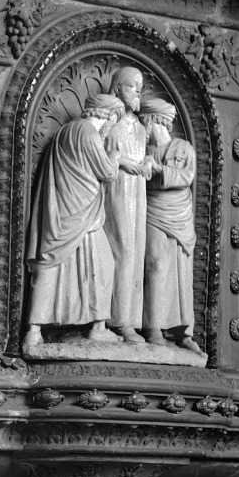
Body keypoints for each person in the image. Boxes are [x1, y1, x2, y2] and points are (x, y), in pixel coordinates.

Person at [23, 93, 125, 354]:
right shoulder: (87, 132)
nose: (112, 126)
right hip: (82, 212)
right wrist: (115, 154)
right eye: (114, 120)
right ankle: (98, 327)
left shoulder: (65, 132)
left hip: (63, 210)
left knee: (57, 265)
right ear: (107, 116)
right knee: (103, 265)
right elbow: (107, 172)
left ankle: (35, 331)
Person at [105, 65, 156, 344]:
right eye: (131, 86)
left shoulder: (140, 128)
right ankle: (116, 319)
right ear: (117, 89)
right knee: (122, 248)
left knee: (136, 251)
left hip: (138, 192)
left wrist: (147, 162)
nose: (137, 91)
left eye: (140, 87)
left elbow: (146, 157)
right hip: (116, 190)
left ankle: (131, 321)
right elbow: (99, 156)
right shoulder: (110, 123)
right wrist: (122, 162)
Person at [141, 101, 199, 350]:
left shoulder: (182, 148)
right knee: (155, 263)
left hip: (179, 214)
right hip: (151, 210)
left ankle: (182, 332)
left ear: (155, 120)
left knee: (180, 273)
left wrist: (158, 169)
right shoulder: (143, 150)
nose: (143, 126)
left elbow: (187, 176)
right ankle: (152, 326)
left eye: (144, 121)